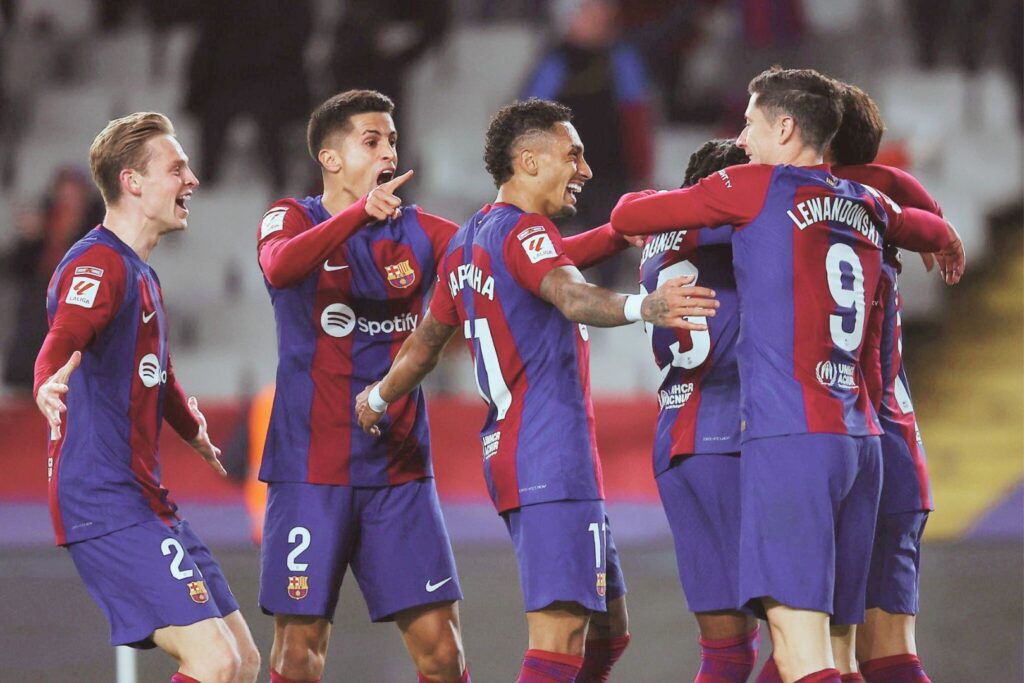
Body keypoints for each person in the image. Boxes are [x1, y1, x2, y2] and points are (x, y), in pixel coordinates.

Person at [611, 67, 964, 683]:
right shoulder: (869, 202)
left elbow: (623, 214)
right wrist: (945, 232)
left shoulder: (753, 191)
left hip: (788, 438)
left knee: (799, 654)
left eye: (748, 124)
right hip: (865, 440)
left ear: (785, 125)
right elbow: (922, 223)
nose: (742, 139)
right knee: (844, 651)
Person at [355, 98, 720, 682]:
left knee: (606, 633)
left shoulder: (471, 240)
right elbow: (571, 294)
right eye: (572, 154)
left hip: (518, 454)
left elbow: (425, 343)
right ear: (527, 161)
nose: (586, 170)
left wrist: (376, 397)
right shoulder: (526, 234)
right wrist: (643, 304)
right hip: (550, 455)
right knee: (561, 640)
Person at [32, 112, 260, 683]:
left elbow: (156, 374)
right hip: (104, 501)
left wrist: (192, 429)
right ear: (132, 181)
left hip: (145, 498)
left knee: (242, 661)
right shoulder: (97, 263)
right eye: (176, 167)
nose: (193, 179)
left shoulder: (140, 271)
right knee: (213, 662)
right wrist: (46, 382)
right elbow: (61, 340)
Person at [255, 90, 469, 683]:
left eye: (392, 140)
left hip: (398, 470)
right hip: (310, 468)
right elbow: (279, 266)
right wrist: (356, 214)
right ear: (330, 157)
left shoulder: (423, 233)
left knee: (444, 655)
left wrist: (605, 240)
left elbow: (502, 258)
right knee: (299, 656)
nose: (387, 151)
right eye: (371, 140)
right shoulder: (290, 217)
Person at [637, 138, 762, 682]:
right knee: (808, 627)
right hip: (730, 434)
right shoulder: (738, 228)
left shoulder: (655, 240)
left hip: (674, 443)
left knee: (725, 649)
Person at [830, 82, 943, 683]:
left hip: (853, 446)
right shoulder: (874, 209)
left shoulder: (807, 221)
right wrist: (940, 229)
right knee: (879, 653)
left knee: (828, 649)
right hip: (897, 448)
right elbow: (897, 183)